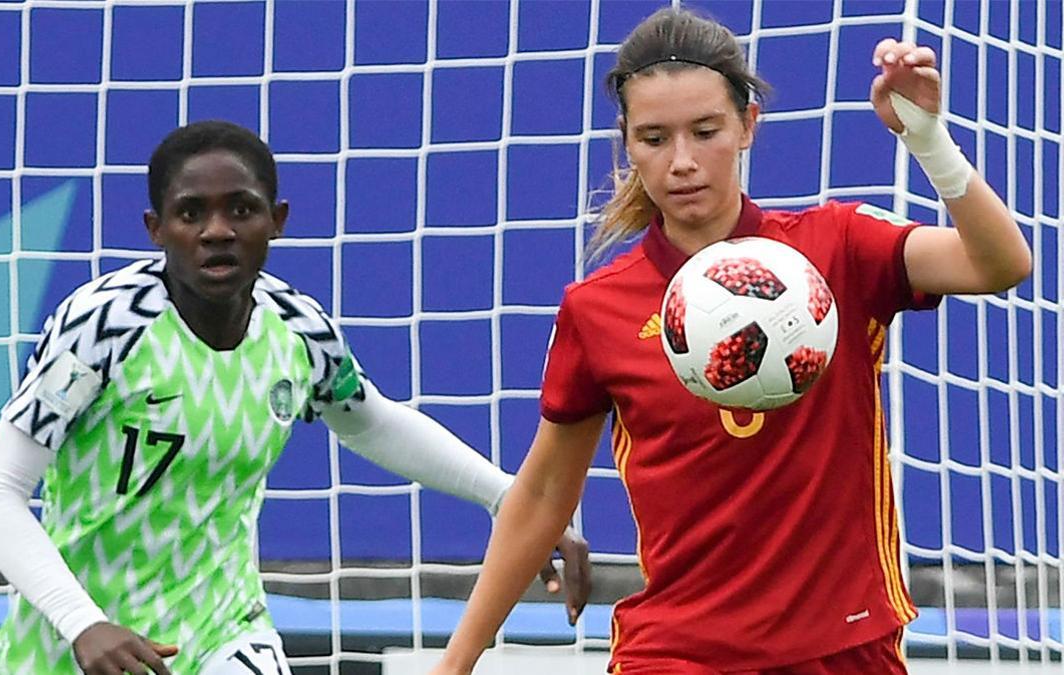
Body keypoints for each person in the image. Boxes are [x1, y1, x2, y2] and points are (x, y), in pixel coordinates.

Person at [433, 7, 1031, 675]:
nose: (682, 161)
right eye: (655, 138)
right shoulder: (597, 307)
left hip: (843, 646)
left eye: (705, 131)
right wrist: (456, 662)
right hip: (678, 653)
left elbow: (999, 264)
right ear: (626, 143)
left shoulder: (835, 248)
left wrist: (930, 142)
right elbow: (543, 494)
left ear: (748, 126)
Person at [0, 120, 591, 675]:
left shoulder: (298, 327)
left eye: (241, 210)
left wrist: (508, 497)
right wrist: (82, 622)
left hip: (224, 627)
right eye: (191, 214)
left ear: (278, 219)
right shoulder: (101, 326)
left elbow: (372, 423)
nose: (217, 231)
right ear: (156, 229)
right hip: (76, 636)